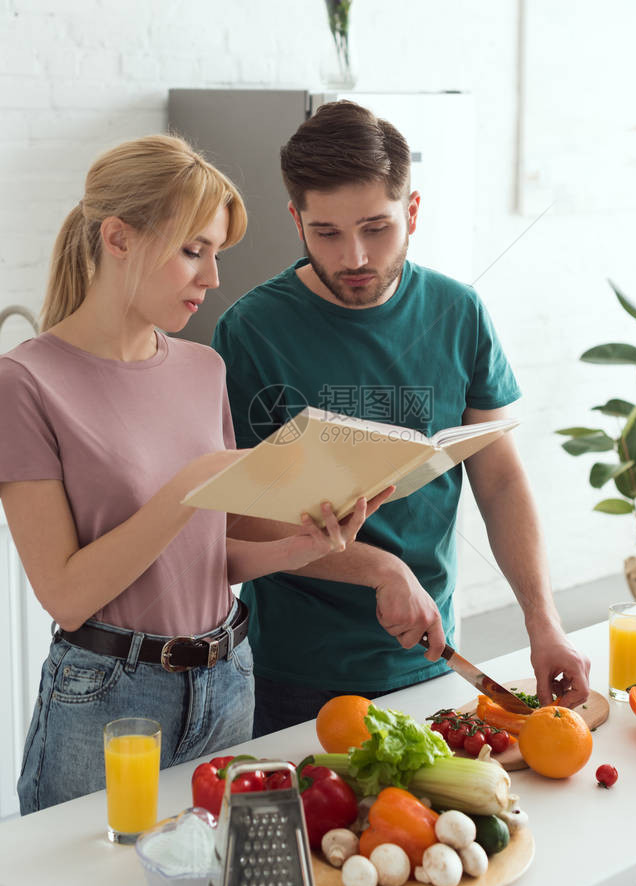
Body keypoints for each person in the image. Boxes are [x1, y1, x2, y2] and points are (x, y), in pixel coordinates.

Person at [0, 133, 386, 813]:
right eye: (192, 251)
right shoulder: (24, 381)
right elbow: (64, 594)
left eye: (215, 255)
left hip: (230, 675)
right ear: (117, 238)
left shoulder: (203, 368)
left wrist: (303, 545)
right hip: (107, 699)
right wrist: (190, 483)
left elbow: (206, 552)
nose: (211, 278)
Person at [212, 100, 591, 737]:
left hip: (434, 658)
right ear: (296, 220)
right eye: (326, 232)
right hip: (295, 675)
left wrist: (543, 623)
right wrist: (383, 569)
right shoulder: (250, 330)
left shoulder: (460, 311)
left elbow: (498, 480)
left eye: (376, 227)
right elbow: (239, 519)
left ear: (411, 211)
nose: (354, 256)